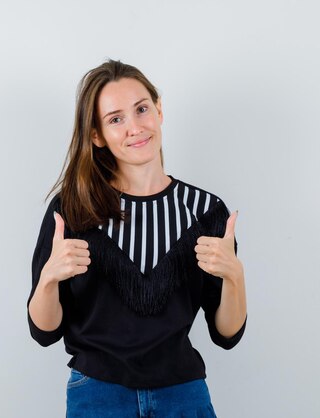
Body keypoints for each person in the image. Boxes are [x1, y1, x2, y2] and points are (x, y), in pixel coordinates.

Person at [27, 59, 247, 417]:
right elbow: (43, 330)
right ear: (97, 135)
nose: (135, 127)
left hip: (183, 394)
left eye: (141, 109)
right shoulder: (73, 209)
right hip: (97, 395)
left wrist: (235, 276)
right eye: (116, 119)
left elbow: (227, 335)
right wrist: (49, 279)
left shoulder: (205, 211)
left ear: (159, 110)